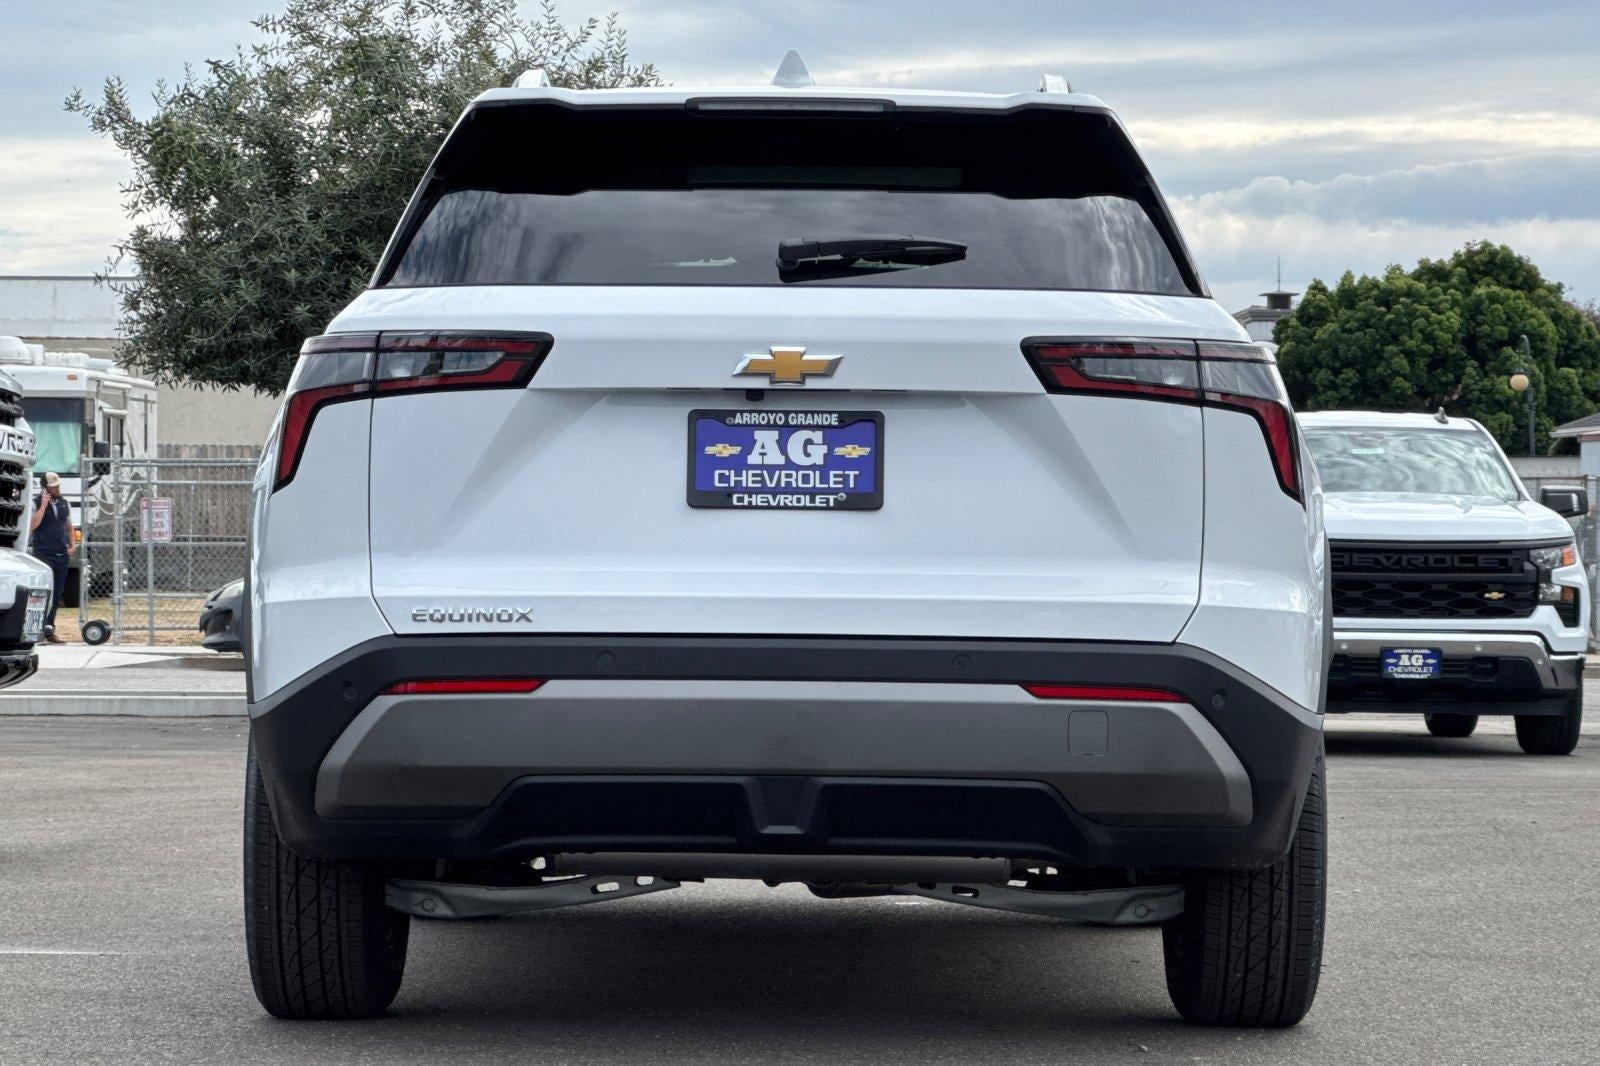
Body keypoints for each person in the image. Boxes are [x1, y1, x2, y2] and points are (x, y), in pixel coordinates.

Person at [29, 471, 74, 644]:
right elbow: (33, 525)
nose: (55, 488)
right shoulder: (35, 503)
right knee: (42, 593)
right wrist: (43, 505)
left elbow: (69, 527)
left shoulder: (64, 504)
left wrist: (72, 546)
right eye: (51, 486)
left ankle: (49, 629)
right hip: (43, 553)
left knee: (56, 594)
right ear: (45, 487)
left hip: (61, 554)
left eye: (56, 486)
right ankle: (37, 630)